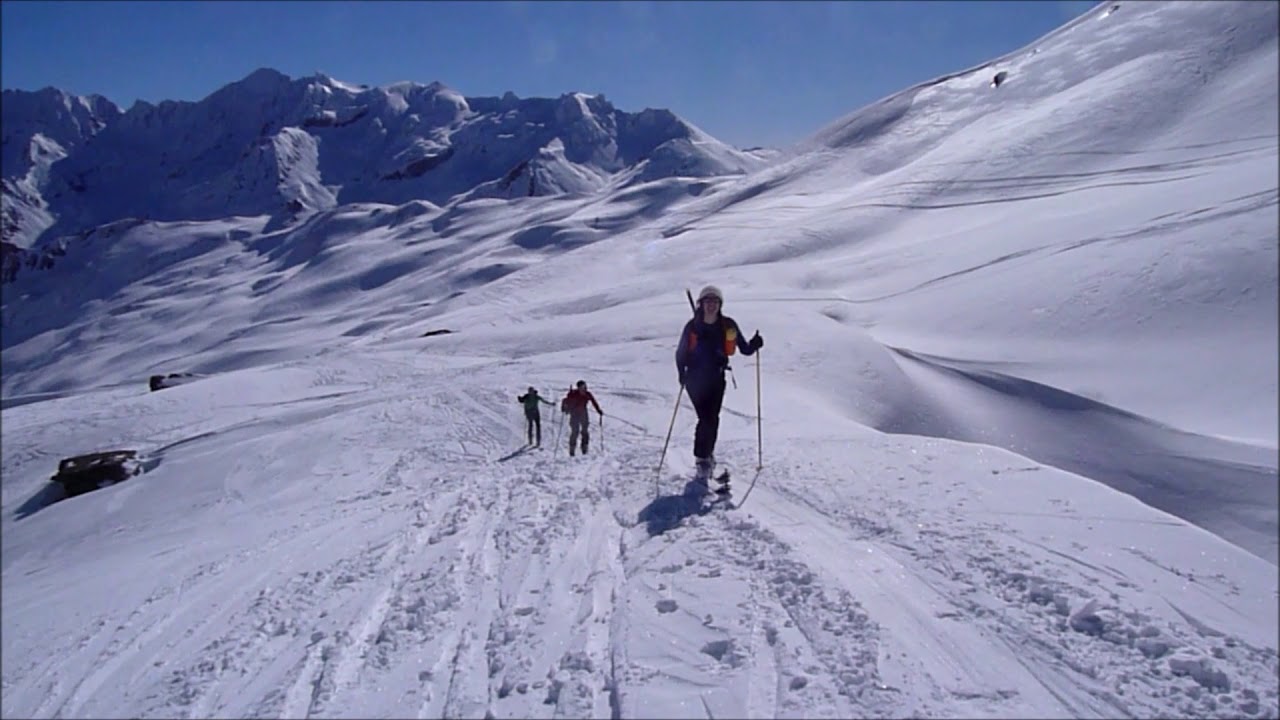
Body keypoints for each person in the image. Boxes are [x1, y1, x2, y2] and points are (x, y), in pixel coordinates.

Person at [674, 285, 763, 474]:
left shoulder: (728, 325)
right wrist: (682, 373)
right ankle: (702, 457)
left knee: (712, 418)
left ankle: (707, 453)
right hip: (695, 379)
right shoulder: (692, 327)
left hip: (716, 377)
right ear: (701, 304)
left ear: (720, 304)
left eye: (715, 301)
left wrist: (755, 344)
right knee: (706, 418)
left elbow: (744, 349)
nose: (711, 305)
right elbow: (680, 352)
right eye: (708, 301)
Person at [560, 380, 603, 456]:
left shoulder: (587, 394)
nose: (584, 388)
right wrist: (565, 408)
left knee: (585, 431)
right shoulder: (573, 393)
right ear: (579, 387)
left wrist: (598, 410)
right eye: (582, 387)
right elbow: (566, 401)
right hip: (574, 414)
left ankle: (584, 448)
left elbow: (594, 402)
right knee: (575, 431)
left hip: (583, 413)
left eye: (585, 386)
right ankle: (572, 449)